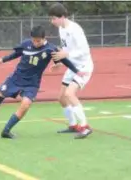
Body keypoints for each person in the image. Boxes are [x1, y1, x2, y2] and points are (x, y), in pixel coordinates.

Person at [0, 25, 86, 139]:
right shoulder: (26, 44)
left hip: (32, 84)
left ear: (44, 38)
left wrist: (77, 72)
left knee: (25, 105)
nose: (35, 43)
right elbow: (16, 54)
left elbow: (65, 61)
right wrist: (2, 60)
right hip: (15, 79)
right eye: (34, 40)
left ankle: (6, 131)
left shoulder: (50, 49)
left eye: (38, 41)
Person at [48, 2, 94, 139]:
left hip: (83, 67)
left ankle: (85, 126)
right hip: (72, 67)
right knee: (61, 98)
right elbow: (66, 50)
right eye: (51, 19)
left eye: (54, 18)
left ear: (62, 16)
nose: (52, 21)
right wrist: (60, 63)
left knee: (69, 93)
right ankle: (73, 125)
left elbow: (84, 51)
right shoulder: (61, 29)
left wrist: (66, 55)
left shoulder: (75, 29)